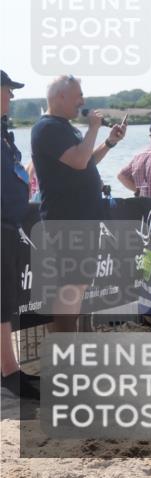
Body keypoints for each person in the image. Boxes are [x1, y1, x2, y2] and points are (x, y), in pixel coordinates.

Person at [31, 75, 127, 331]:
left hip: (83, 217)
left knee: (78, 284)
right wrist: (94, 128)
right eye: (78, 96)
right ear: (60, 97)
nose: (83, 101)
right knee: (71, 286)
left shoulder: (65, 127)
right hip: (66, 219)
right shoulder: (48, 128)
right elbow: (78, 161)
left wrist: (109, 142)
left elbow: (86, 162)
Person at [1, 71, 40, 400]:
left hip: (10, 225)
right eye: (7, 90)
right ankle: (10, 373)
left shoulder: (5, 133)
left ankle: (10, 370)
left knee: (6, 301)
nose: (11, 97)